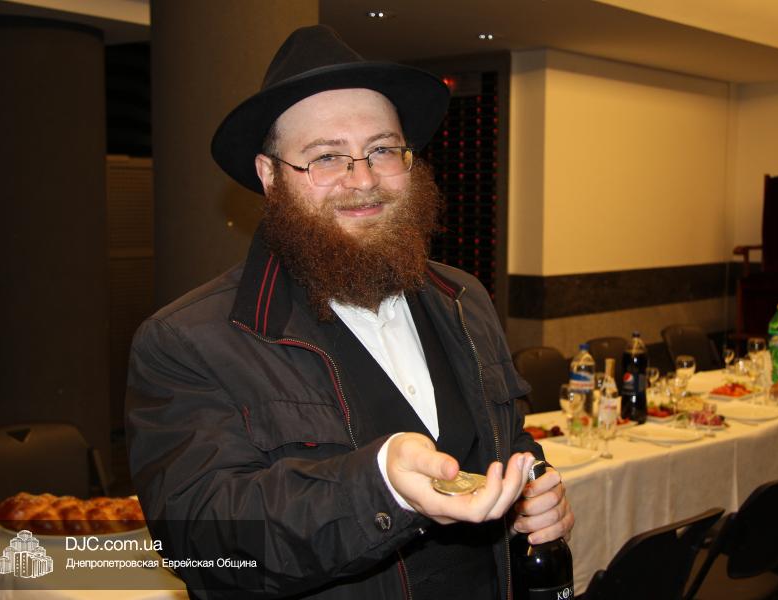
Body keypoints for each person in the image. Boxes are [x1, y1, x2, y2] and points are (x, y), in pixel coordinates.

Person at [125, 25, 573, 599]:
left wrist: (534, 488)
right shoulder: (188, 341)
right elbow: (202, 541)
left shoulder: (464, 299)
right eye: (326, 157)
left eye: (382, 150)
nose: (362, 180)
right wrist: (380, 487)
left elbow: (505, 439)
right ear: (269, 176)